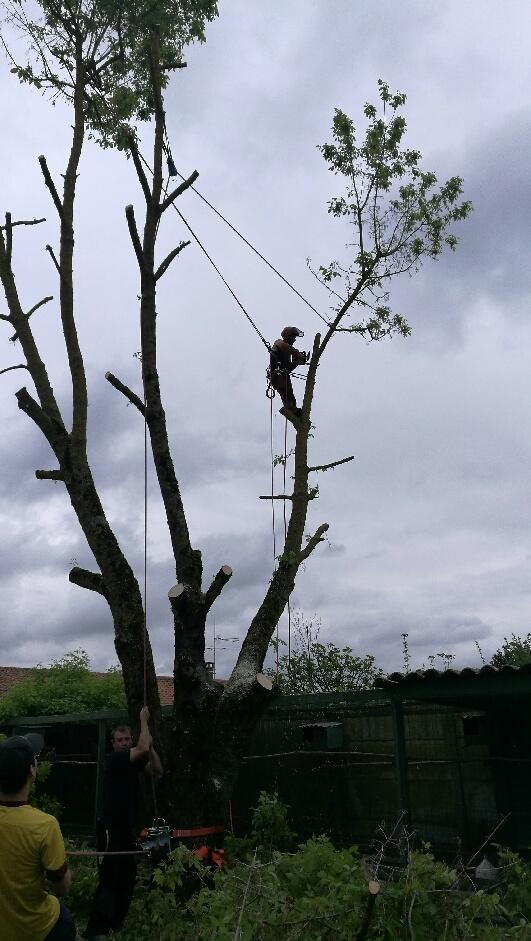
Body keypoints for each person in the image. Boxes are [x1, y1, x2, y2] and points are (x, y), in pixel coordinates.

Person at [83, 706, 163, 939]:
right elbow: (142, 748)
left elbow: (157, 770)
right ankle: (95, 930)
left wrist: (151, 748)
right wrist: (143, 720)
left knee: (127, 876)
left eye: (127, 739)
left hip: (126, 828)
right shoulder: (116, 760)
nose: (125, 743)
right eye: (120, 740)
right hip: (109, 828)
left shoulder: (132, 762)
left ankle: (114, 925)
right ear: (113, 744)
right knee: (109, 877)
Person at [0, 732, 75, 941]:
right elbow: (62, 888)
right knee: (64, 920)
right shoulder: (45, 825)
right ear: (32, 771)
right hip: (37, 929)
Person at [269, 326, 308, 419]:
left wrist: (296, 362)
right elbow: (284, 346)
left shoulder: (288, 352)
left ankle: (294, 411)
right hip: (277, 376)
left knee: (290, 393)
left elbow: (288, 367)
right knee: (286, 392)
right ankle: (290, 408)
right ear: (287, 336)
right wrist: (297, 354)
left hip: (283, 375)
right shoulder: (278, 342)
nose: (294, 340)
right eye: (293, 337)